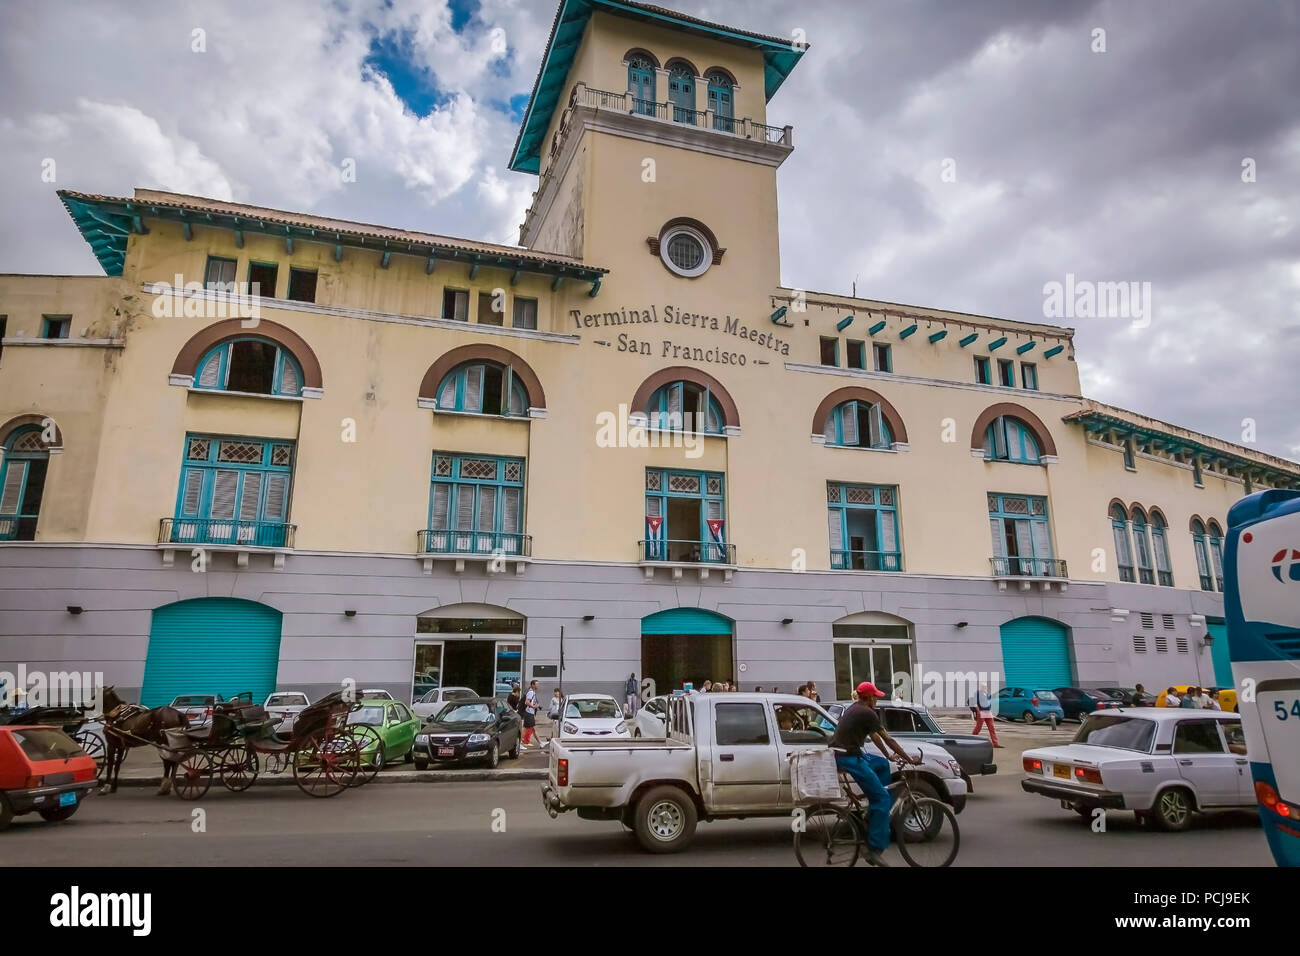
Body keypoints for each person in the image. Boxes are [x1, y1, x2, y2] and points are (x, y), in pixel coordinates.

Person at [827, 682, 922, 867]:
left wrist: (888, 756)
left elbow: (877, 737)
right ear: (869, 697)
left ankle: (876, 809)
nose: (877, 700)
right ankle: (874, 849)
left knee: (881, 764)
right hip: (848, 757)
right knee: (883, 799)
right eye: (876, 697)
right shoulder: (867, 712)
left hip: (845, 753)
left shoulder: (856, 708)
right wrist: (909, 759)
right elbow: (888, 739)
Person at [968, 683, 1002, 748]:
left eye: (985, 686)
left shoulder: (987, 693)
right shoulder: (977, 693)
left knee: (991, 727)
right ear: (981, 687)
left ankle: (995, 743)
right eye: (983, 687)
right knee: (978, 727)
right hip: (981, 712)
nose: (985, 688)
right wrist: (978, 711)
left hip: (988, 712)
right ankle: (971, 739)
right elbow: (975, 703)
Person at [520, 679, 541, 748]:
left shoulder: (532, 692)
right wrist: (534, 706)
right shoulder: (531, 692)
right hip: (529, 713)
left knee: (532, 729)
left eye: (538, 684)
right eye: (536, 684)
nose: (538, 685)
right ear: (532, 685)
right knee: (526, 729)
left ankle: (540, 743)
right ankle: (519, 744)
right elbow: (526, 702)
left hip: (530, 713)